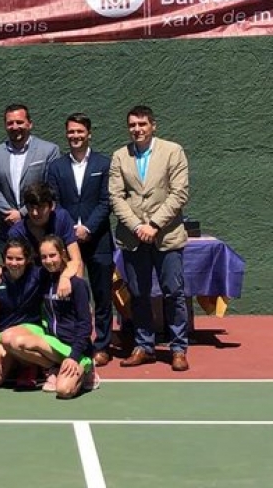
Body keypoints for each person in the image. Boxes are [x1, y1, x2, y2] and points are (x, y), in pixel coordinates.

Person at [110, 106, 190, 371]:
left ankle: (178, 348)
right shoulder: (120, 156)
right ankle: (144, 346)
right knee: (139, 294)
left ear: (153, 125)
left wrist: (154, 224)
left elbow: (179, 194)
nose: (137, 129)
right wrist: (136, 226)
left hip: (166, 236)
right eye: (132, 125)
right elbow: (116, 197)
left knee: (174, 293)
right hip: (133, 238)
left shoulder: (173, 151)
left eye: (142, 124)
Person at [47, 113, 114, 367]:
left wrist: (87, 227)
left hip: (98, 239)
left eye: (80, 132)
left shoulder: (103, 164)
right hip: (67, 241)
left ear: (89, 133)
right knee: (71, 291)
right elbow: (55, 202)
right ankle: (77, 342)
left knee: (102, 294)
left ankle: (102, 345)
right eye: (71, 132)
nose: (75, 136)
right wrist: (69, 231)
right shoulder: (56, 167)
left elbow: (106, 201)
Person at [2, 236, 97, 398]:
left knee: (63, 391)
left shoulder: (77, 285)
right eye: (44, 257)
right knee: (10, 340)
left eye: (52, 255)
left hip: (76, 348)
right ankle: (54, 367)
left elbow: (86, 325)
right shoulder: (43, 278)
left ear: (62, 254)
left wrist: (74, 356)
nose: (48, 260)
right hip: (53, 343)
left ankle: (86, 369)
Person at [0, 104, 60, 247]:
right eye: (10, 123)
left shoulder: (49, 150)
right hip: (7, 228)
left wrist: (23, 212)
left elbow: (50, 187)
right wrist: (10, 213)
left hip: (41, 228)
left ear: (29, 124)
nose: (15, 126)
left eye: (19, 122)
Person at [0, 238, 45, 390]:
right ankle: (16, 361)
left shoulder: (39, 275)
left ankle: (30, 365)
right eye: (9, 258)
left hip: (31, 330)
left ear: (27, 259)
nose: (14, 263)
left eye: (19, 258)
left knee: (10, 337)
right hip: (3, 337)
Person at [6, 182, 83, 296]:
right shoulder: (17, 232)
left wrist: (73, 288)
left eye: (40, 207)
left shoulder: (61, 218)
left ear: (51, 206)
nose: (35, 213)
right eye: (31, 208)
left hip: (63, 278)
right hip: (32, 286)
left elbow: (76, 260)